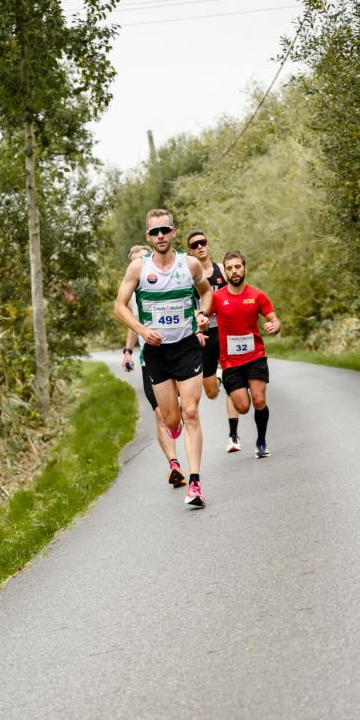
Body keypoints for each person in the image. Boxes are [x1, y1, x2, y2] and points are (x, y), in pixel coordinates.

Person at [114, 209, 212, 507]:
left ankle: (195, 483)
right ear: (148, 236)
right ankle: (174, 421)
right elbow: (119, 306)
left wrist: (202, 314)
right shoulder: (138, 268)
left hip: (186, 346)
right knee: (171, 419)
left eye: (165, 230)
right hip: (156, 352)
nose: (160, 236)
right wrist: (143, 331)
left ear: (173, 232)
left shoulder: (189, 264)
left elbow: (206, 293)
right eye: (155, 232)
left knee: (191, 412)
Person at [121, 244, 186, 488]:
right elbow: (132, 325)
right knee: (160, 413)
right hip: (150, 360)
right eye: (135, 261)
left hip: (179, 355)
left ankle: (181, 419)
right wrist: (128, 352)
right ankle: (174, 464)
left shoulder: (165, 284)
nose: (140, 263)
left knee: (180, 412)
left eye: (143, 258)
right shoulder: (130, 296)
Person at [209, 250, 281, 458]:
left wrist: (274, 326)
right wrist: (200, 323)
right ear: (225, 272)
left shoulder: (257, 295)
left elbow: (274, 319)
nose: (234, 271)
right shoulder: (217, 298)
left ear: (244, 268)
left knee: (258, 399)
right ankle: (229, 384)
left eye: (237, 267)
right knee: (242, 407)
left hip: (255, 356)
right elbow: (202, 316)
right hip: (230, 362)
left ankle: (261, 441)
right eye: (229, 268)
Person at [186, 229, 242, 453]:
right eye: (194, 245)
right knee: (211, 392)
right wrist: (197, 318)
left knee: (233, 383)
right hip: (205, 335)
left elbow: (236, 292)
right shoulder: (188, 276)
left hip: (226, 332)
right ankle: (217, 376)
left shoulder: (221, 269)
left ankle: (233, 436)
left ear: (208, 245)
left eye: (202, 243)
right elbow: (185, 305)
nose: (199, 247)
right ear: (190, 251)